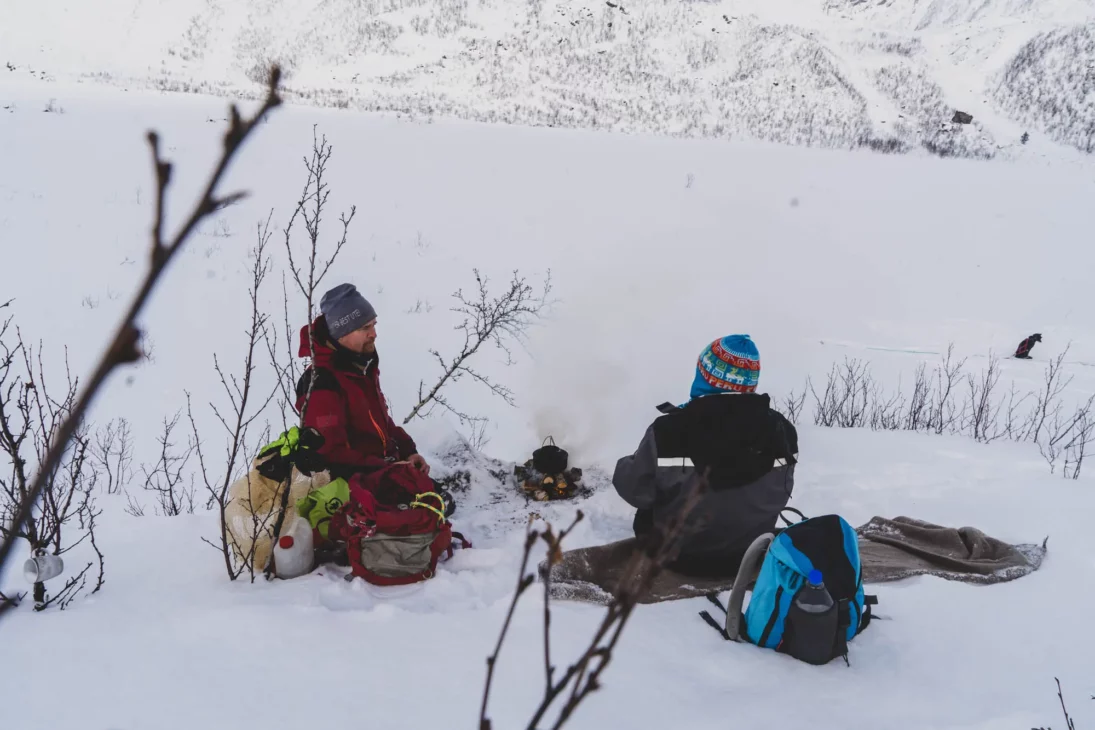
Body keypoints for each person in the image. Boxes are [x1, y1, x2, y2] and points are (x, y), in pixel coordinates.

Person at [612, 334, 798, 578]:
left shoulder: (669, 430)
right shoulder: (782, 429)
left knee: (651, 505)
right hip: (749, 553)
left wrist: (628, 465)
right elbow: (778, 490)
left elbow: (636, 491)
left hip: (679, 557)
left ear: (706, 376)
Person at [295, 283, 430, 480]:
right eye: (365, 327)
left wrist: (408, 451)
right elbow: (331, 456)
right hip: (355, 485)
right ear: (341, 333)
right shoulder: (321, 384)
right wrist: (388, 468)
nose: (374, 334)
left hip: (380, 473)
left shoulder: (360, 368)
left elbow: (380, 422)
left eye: (374, 325)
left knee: (438, 499)